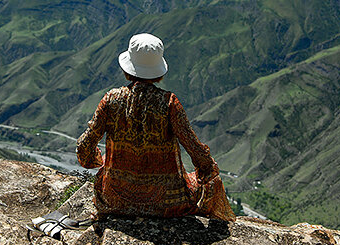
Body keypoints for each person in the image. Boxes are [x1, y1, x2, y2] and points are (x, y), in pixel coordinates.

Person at [76, 33, 235, 222]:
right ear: (158, 71)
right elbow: (196, 151)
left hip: (115, 199)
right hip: (167, 203)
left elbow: (84, 148)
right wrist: (209, 171)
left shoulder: (110, 100)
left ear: (127, 68)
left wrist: (98, 161)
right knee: (208, 183)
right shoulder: (169, 104)